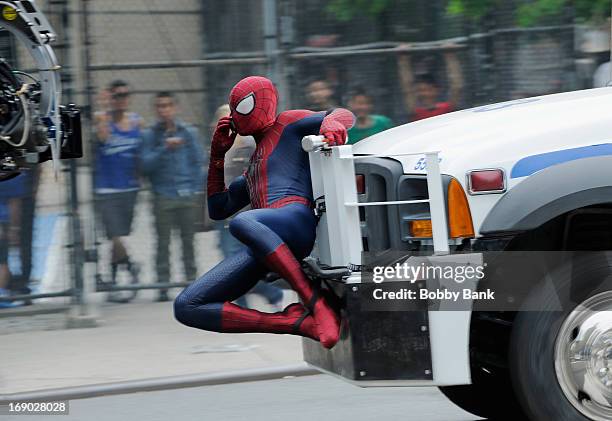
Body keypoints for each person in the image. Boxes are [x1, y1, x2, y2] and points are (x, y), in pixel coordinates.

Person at [174, 76, 355, 349]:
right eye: (233, 110)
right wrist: (216, 157)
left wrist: (330, 123)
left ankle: (315, 304)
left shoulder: (288, 124)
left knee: (244, 220)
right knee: (187, 306)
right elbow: (217, 209)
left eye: (243, 106)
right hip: (266, 238)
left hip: (294, 220)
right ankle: (293, 323)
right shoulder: (251, 172)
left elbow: (342, 114)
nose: (237, 115)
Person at [210, 104, 284, 311]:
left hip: (245, 213)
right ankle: (240, 304)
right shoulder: (218, 147)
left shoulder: (249, 146)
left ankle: (272, 293)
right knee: (229, 260)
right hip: (223, 214)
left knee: (239, 262)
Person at [141, 92, 205, 302]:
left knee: (188, 241)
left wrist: (195, 189)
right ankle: (163, 284)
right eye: (160, 106)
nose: (164, 110)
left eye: (168, 106)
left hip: (186, 194)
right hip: (163, 195)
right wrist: (163, 148)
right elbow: (145, 165)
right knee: (163, 242)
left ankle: (191, 282)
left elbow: (198, 161)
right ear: (156, 110)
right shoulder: (150, 135)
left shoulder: (188, 132)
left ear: (175, 108)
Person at [94, 80, 142, 303]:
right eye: (116, 96)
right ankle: (132, 266)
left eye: (124, 95)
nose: (120, 99)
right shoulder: (102, 119)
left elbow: (141, 152)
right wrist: (104, 106)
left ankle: (113, 279)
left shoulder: (135, 122)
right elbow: (103, 138)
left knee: (119, 236)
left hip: (129, 188)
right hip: (107, 189)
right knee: (114, 236)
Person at [397, 47, 464, 121]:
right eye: (420, 90)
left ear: (437, 90)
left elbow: (457, 87)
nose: (424, 94)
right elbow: (407, 88)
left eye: (428, 89)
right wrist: (403, 60)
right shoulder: (415, 112)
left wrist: (450, 57)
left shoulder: (447, 108)